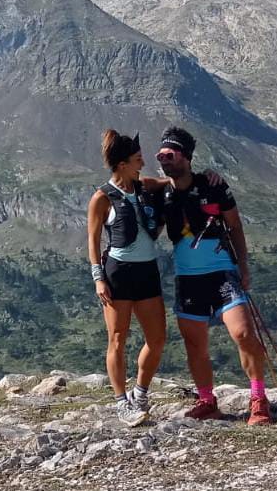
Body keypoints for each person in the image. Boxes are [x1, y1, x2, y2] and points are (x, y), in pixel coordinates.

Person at [155, 126, 271, 425]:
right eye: (160, 155)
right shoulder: (160, 192)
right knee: (196, 345)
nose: (163, 160)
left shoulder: (214, 185)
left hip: (222, 274)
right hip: (188, 279)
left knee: (243, 334)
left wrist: (243, 266)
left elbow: (235, 227)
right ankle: (207, 401)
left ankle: (258, 398)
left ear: (186, 157)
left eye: (169, 155)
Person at [87, 130, 167, 427]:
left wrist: (202, 177)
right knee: (117, 339)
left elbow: (173, 183)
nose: (143, 163)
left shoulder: (145, 185)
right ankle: (122, 403)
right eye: (137, 159)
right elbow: (93, 242)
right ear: (122, 164)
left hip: (147, 272)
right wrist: (98, 279)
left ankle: (141, 393)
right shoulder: (101, 198)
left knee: (157, 339)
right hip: (118, 274)